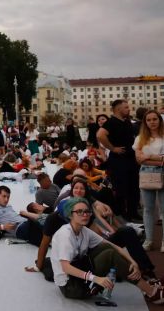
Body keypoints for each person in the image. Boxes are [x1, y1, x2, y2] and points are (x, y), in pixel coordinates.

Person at [50, 197, 164, 302]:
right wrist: (96, 279)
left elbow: (112, 245)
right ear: (70, 215)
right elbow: (66, 268)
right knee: (110, 255)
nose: (84, 215)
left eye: (87, 211)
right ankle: (151, 292)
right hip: (71, 286)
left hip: (80, 269)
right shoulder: (65, 234)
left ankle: (146, 285)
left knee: (106, 247)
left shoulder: (84, 230)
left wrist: (133, 262)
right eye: (79, 212)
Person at [97, 99, 140, 221]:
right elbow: (100, 135)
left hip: (131, 159)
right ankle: (122, 214)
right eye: (126, 107)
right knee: (121, 188)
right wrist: (112, 148)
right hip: (118, 160)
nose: (129, 109)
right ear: (118, 109)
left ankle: (133, 212)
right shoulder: (111, 122)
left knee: (134, 187)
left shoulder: (126, 121)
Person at [134, 110, 164, 251]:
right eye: (149, 120)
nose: (152, 122)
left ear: (160, 120)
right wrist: (159, 159)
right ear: (145, 122)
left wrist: (149, 156)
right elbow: (139, 160)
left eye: (155, 119)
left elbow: (145, 159)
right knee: (148, 209)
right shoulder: (140, 138)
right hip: (145, 175)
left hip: (162, 174)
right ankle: (149, 240)